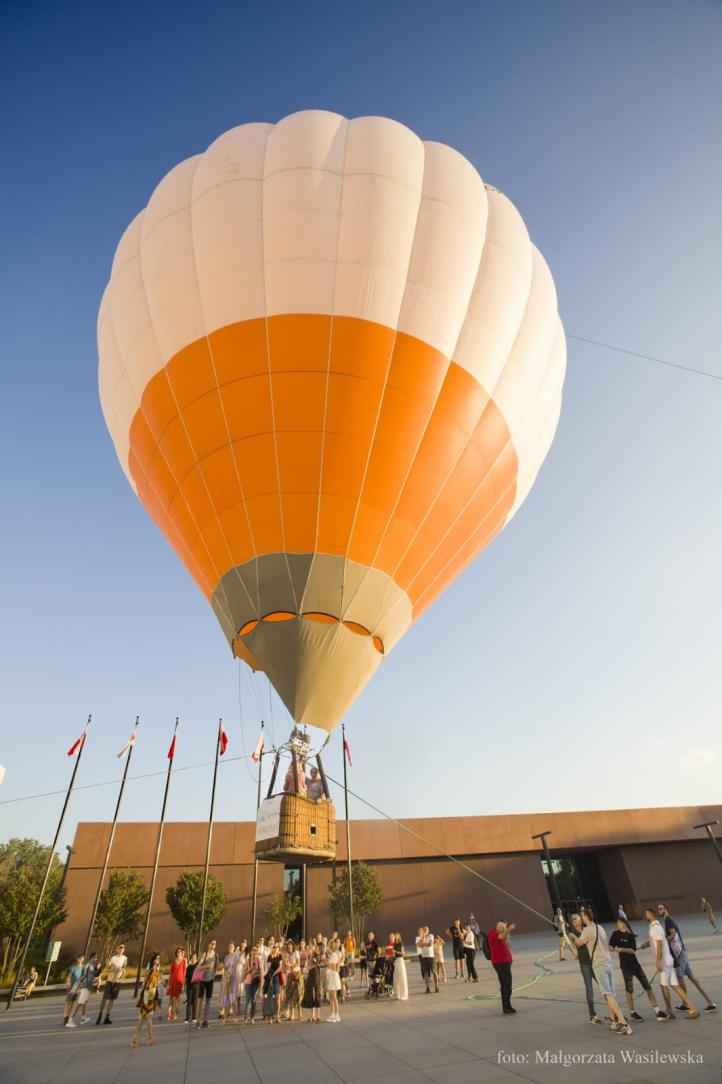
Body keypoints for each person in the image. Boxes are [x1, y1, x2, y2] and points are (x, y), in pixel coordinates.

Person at [574, 907, 631, 1034]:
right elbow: (605, 941)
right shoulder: (600, 927)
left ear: (587, 917)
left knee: (607, 994)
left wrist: (573, 936)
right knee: (610, 993)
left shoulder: (587, 930)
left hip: (599, 964)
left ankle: (623, 1022)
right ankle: (612, 1019)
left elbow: (579, 943)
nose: (581, 917)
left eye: (582, 915)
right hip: (608, 963)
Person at [639, 908, 699, 1020]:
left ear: (651, 915)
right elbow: (656, 942)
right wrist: (644, 945)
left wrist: (658, 961)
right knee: (674, 985)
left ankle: (671, 1010)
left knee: (664, 985)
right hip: (667, 960)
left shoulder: (655, 928)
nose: (645, 915)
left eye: (646, 914)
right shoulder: (656, 927)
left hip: (664, 961)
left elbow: (660, 944)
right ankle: (689, 1008)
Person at [656, 903, 717, 1011]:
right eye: (658, 909)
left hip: (679, 954)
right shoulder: (668, 920)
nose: (659, 911)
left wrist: (663, 941)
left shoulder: (668, 920)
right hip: (682, 952)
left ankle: (686, 1003)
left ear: (666, 909)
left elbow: (673, 934)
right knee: (692, 978)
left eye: (660, 909)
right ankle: (710, 1002)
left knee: (680, 978)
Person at [608, 918, 668, 1022]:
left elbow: (632, 950)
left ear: (624, 924)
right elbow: (610, 946)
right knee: (629, 988)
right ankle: (632, 1012)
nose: (618, 924)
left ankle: (657, 1010)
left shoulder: (630, 936)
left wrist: (622, 949)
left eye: (620, 922)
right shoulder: (615, 934)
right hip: (625, 966)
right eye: (617, 922)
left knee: (647, 985)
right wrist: (612, 948)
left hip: (635, 964)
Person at [568, 914, 601, 1023]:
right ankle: (592, 1015)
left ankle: (614, 1012)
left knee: (603, 986)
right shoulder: (572, 934)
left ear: (581, 920)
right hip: (585, 964)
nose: (573, 921)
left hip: (594, 961)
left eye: (575, 918)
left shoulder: (587, 930)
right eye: (572, 919)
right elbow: (578, 945)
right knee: (589, 989)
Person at [131, 953, 161, 1047]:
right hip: (148, 994)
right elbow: (146, 983)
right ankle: (149, 1038)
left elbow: (156, 982)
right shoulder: (152, 970)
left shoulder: (156, 970)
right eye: (156, 958)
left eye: (159, 959)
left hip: (151, 994)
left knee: (143, 1017)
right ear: (153, 960)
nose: (158, 960)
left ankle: (136, 1038)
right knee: (148, 1016)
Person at [488, 920, 516, 1015]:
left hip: (506, 962)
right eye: (500, 927)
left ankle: (508, 1005)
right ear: (497, 927)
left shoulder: (501, 934)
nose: (502, 929)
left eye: (503, 927)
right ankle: (506, 1007)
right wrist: (509, 929)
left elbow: (505, 939)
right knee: (505, 984)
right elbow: (501, 936)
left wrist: (506, 931)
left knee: (508, 985)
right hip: (500, 963)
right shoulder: (493, 933)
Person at [96, 944, 127, 1025]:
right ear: (117, 949)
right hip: (110, 980)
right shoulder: (113, 958)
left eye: (122, 948)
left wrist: (121, 979)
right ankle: (99, 1016)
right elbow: (107, 969)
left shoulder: (125, 958)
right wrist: (113, 969)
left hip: (117, 982)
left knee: (112, 1000)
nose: (121, 950)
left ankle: (107, 1017)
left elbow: (124, 970)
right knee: (104, 999)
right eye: (120, 948)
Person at [68, 952, 101, 1026]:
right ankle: (70, 1020)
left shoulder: (90, 965)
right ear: (91, 958)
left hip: (86, 986)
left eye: (96, 957)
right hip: (85, 986)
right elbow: (86, 976)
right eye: (95, 957)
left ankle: (83, 1018)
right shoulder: (89, 965)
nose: (96, 959)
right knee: (79, 1003)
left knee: (83, 1002)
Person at [196, 939, 219, 1028]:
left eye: (215, 943)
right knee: (200, 1000)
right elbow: (198, 967)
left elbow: (216, 967)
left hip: (210, 981)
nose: (213, 945)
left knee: (208, 1000)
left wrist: (213, 975)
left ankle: (205, 1020)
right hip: (202, 980)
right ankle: (198, 1020)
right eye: (212, 943)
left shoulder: (216, 955)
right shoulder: (204, 954)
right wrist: (207, 966)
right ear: (209, 944)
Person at [63, 954, 85, 1027]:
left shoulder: (83, 968)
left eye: (82, 959)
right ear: (77, 959)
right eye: (80, 958)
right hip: (72, 987)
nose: (81, 960)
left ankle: (68, 1017)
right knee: (69, 1003)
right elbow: (68, 977)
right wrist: (67, 984)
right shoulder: (73, 968)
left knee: (73, 1004)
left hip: (78, 987)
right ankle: (66, 1017)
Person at [302, 947, 322, 1022]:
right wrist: (308, 960)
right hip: (310, 976)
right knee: (310, 995)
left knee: (317, 995)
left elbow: (315, 965)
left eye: (309, 950)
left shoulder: (316, 955)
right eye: (307, 950)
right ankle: (312, 1015)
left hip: (316, 976)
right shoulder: (309, 957)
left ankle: (318, 1016)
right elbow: (306, 966)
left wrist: (308, 967)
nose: (308, 951)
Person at [243, 944, 262, 1024]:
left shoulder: (258, 959)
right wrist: (251, 969)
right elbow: (244, 972)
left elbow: (260, 970)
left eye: (255, 950)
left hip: (256, 981)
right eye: (253, 950)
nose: (254, 952)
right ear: (250, 952)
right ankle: (246, 1018)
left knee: (254, 1000)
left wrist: (261, 982)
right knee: (248, 1000)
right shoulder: (248, 960)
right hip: (248, 981)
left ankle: (252, 1018)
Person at [219, 941, 238, 1021]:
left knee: (232, 996)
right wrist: (227, 975)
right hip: (226, 978)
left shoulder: (236, 956)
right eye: (229, 947)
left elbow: (235, 967)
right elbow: (225, 968)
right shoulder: (226, 957)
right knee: (226, 996)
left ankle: (234, 1016)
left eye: (232, 947)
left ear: (234, 948)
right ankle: (225, 1016)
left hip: (233, 977)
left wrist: (230, 975)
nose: (230, 948)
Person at [325, 938, 342, 1022]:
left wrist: (328, 963)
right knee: (331, 997)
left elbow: (335, 968)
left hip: (334, 976)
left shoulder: (334, 955)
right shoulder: (332, 955)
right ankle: (332, 1014)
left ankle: (337, 1015)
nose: (328, 946)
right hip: (331, 976)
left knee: (334, 997)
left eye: (329, 945)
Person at [167, 947, 186, 1020]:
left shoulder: (184, 961)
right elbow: (170, 973)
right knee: (171, 998)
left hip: (179, 981)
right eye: (178, 952)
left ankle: (175, 1011)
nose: (179, 953)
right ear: (176, 953)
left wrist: (184, 983)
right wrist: (168, 983)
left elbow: (184, 972)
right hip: (173, 981)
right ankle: (169, 1013)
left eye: (180, 951)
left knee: (177, 997)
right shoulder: (174, 961)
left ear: (182, 953)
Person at [420, 927, 438, 993]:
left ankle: (436, 986)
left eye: (426, 930)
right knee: (426, 973)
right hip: (424, 957)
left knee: (434, 972)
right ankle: (427, 987)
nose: (425, 931)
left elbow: (430, 944)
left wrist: (424, 944)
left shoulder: (431, 936)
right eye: (424, 930)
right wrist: (423, 938)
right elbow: (420, 945)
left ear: (428, 930)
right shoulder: (422, 937)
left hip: (431, 957)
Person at [392, 934, 408, 1000]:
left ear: (399, 937)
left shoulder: (401, 944)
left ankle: (404, 994)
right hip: (396, 961)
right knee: (397, 978)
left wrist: (395, 951)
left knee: (402, 977)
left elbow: (403, 953)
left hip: (400, 961)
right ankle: (398, 994)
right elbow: (394, 954)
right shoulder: (394, 944)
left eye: (397, 936)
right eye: (395, 936)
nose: (396, 937)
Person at [185, 952, 199, 1024]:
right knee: (189, 1002)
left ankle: (194, 1017)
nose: (194, 959)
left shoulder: (198, 965)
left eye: (195, 958)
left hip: (196, 986)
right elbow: (187, 977)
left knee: (195, 1002)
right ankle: (187, 1017)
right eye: (192, 958)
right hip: (189, 986)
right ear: (190, 959)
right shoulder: (189, 967)